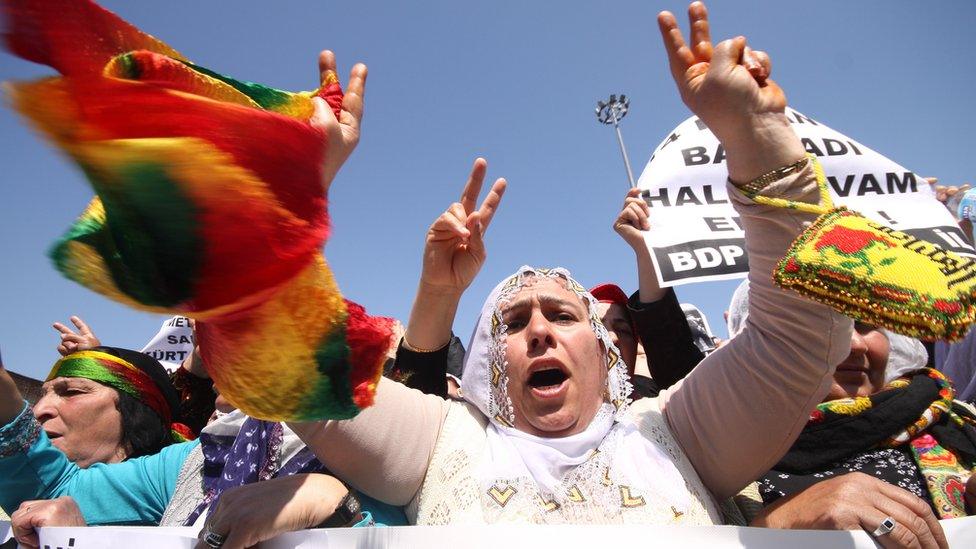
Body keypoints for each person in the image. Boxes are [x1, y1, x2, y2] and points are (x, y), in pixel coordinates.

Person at [289, 1, 895, 534]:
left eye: (562, 314)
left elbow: (802, 335)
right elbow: (287, 363)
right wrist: (297, 186)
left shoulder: (676, 430)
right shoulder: (441, 441)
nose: (539, 330)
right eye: (512, 322)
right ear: (485, 363)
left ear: (607, 356)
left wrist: (756, 136)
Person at [0, 51, 405, 549]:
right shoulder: (195, 458)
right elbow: (61, 488)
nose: (226, 354)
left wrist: (334, 506)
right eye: (219, 331)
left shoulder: (385, 458)